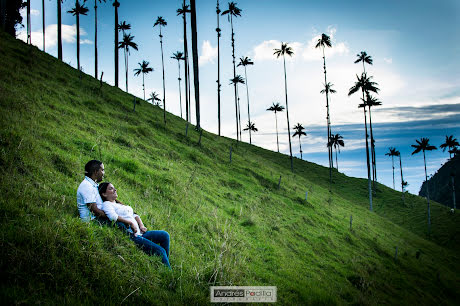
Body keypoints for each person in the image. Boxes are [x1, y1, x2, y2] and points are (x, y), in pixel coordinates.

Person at [98, 182, 171, 269]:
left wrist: (141, 225)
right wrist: (130, 223)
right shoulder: (107, 204)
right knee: (160, 251)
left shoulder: (119, 204)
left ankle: (165, 264)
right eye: (111, 189)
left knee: (164, 235)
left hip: (141, 233)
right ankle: (168, 272)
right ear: (104, 194)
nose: (115, 190)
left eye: (114, 188)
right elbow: (113, 217)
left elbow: (134, 215)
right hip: (133, 236)